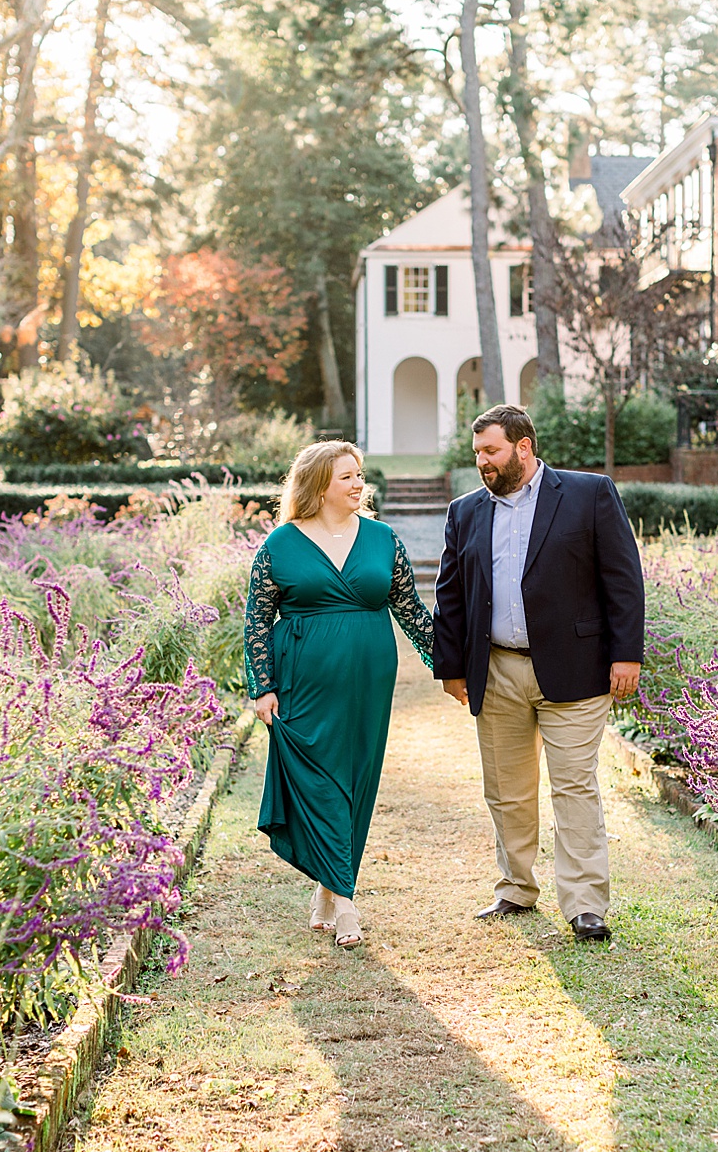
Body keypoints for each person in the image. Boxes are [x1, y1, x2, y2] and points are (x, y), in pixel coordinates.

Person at [432, 404, 645, 942]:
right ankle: (515, 889)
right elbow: (451, 595)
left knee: (574, 788)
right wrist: (451, 667)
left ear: (523, 447)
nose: (482, 461)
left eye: (491, 451)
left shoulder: (588, 494)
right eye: (477, 451)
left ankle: (585, 906)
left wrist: (627, 654)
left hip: (576, 669)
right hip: (497, 670)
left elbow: (623, 578)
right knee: (507, 790)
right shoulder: (465, 511)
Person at [244, 440, 435, 948]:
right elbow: (257, 621)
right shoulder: (279, 545)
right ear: (318, 484)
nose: (358, 484)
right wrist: (261, 686)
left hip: (371, 675)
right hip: (304, 679)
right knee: (321, 781)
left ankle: (330, 889)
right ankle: (346, 901)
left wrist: (452, 665)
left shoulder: (382, 538)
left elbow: (411, 610)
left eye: (359, 474)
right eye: (347, 476)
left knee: (356, 778)